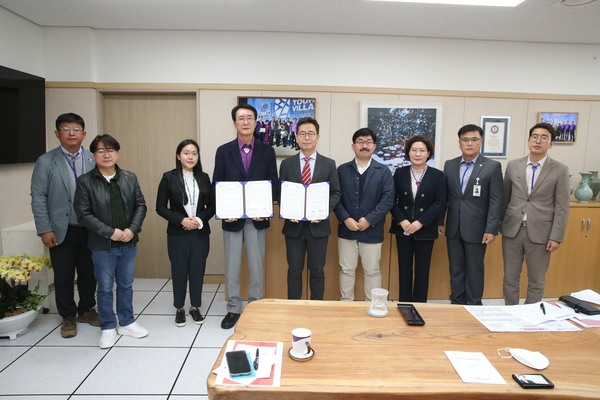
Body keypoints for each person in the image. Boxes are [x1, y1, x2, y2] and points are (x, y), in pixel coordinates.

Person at [74, 134, 148, 349]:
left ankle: (126, 322)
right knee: (105, 288)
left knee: (126, 285)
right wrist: (110, 232)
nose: (106, 155)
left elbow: (140, 206)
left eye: (110, 150)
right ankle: (107, 326)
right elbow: (84, 214)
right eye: (100, 151)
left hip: (128, 243)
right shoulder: (86, 181)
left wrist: (131, 230)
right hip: (102, 245)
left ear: (117, 152)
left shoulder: (129, 178)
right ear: (94, 155)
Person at [30, 112, 99, 338]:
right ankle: (68, 315)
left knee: (89, 273)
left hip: (90, 228)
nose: (72, 133)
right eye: (66, 129)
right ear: (57, 133)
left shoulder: (93, 158)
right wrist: (45, 228)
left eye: (76, 129)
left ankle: (87, 308)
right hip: (61, 229)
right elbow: (38, 196)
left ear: (84, 134)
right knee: (63, 275)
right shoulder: (46, 161)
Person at [213, 104, 278, 329]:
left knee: (256, 265)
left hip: (257, 219)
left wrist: (265, 208)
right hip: (232, 218)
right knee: (232, 265)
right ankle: (233, 308)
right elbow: (217, 184)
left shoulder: (267, 151)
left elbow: (273, 184)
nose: (246, 122)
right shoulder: (223, 151)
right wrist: (223, 210)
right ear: (234, 123)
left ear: (256, 121)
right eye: (241, 118)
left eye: (250, 118)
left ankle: (255, 306)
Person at [501, 123, 570, 305]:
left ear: (551, 144)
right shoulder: (513, 165)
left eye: (544, 137)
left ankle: (531, 316)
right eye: (535, 137)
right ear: (528, 140)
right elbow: (504, 198)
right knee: (510, 278)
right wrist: (497, 225)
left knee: (536, 280)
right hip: (512, 230)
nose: (538, 141)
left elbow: (562, 206)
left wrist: (556, 236)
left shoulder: (560, 169)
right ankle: (512, 312)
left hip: (541, 233)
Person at [440, 124, 503, 305]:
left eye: (474, 139)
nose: (470, 143)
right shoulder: (450, 165)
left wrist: (492, 229)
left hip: (478, 228)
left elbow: (496, 200)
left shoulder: (492, 166)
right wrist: (440, 221)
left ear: (481, 142)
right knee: (456, 268)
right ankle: (457, 303)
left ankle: (474, 305)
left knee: (474, 269)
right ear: (459, 142)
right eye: (465, 140)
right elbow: (445, 196)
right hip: (453, 226)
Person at [280, 117, 341, 300]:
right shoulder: (287, 164)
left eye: (311, 133)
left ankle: (317, 308)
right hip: (293, 228)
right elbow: (281, 192)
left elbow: (336, 193)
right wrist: (288, 210)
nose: (307, 137)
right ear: (296, 137)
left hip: (319, 228)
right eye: (302, 133)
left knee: (317, 271)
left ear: (318, 137)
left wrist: (323, 212)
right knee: (294, 271)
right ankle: (293, 308)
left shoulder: (329, 164)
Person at [156, 139, 215, 326]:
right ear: (178, 156)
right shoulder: (168, 177)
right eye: (186, 153)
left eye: (194, 153)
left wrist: (198, 220)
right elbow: (160, 207)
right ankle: (179, 308)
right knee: (179, 271)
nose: (190, 157)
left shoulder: (204, 177)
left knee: (197, 271)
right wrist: (180, 220)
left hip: (199, 233)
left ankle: (195, 307)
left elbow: (212, 206)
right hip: (177, 233)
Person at [334, 128, 394, 301]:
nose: (364, 146)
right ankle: (346, 304)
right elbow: (336, 197)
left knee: (372, 271)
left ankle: (373, 305)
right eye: (360, 142)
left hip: (373, 231)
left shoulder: (383, 171)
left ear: (374, 146)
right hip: (347, 230)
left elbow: (388, 200)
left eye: (368, 142)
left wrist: (369, 219)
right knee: (346, 270)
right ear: (353, 146)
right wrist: (345, 218)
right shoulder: (342, 170)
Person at [391, 135, 446, 302]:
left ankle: (420, 305)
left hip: (425, 228)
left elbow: (440, 202)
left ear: (428, 153)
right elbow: (391, 200)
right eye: (414, 150)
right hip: (404, 228)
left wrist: (420, 222)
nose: (418, 153)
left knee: (422, 271)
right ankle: (404, 304)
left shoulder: (437, 175)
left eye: (422, 150)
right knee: (404, 270)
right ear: (408, 152)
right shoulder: (400, 173)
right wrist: (403, 221)